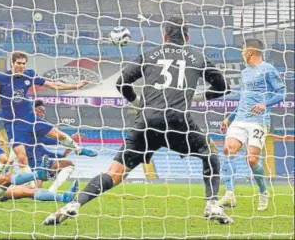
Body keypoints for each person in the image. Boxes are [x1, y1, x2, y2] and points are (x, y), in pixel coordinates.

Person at [43, 16, 233, 226]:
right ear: (187, 37)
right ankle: (212, 204)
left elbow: (121, 82)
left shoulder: (149, 54)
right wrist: (196, 97)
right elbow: (223, 87)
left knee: (114, 173)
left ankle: (74, 205)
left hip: (146, 121)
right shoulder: (198, 57)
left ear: (165, 36)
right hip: (178, 121)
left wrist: (138, 101)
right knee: (210, 153)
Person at [0, 51, 95, 187]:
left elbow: (53, 85)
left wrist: (76, 86)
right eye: (19, 63)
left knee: (59, 134)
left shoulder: (29, 75)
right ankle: (32, 187)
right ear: (13, 63)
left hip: (30, 118)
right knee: (21, 157)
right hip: (14, 124)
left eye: (23, 64)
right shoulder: (1, 78)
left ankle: (78, 150)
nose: (22, 66)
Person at [218, 38, 285, 211]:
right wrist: (229, 118)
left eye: (243, 50)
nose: (241, 53)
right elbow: (243, 99)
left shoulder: (268, 69)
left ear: (251, 51)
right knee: (228, 149)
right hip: (240, 119)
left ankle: (263, 192)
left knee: (252, 160)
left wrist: (265, 104)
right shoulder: (245, 72)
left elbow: (281, 93)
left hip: (258, 121)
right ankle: (230, 194)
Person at [25, 99, 95, 191]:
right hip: (34, 162)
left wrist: (61, 154)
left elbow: (42, 148)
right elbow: (45, 142)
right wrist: (66, 140)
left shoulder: (35, 129)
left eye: (44, 112)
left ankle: (45, 191)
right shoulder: (32, 125)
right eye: (40, 111)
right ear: (34, 110)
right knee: (68, 165)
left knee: (37, 187)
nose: (42, 114)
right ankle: (50, 192)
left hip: (36, 161)